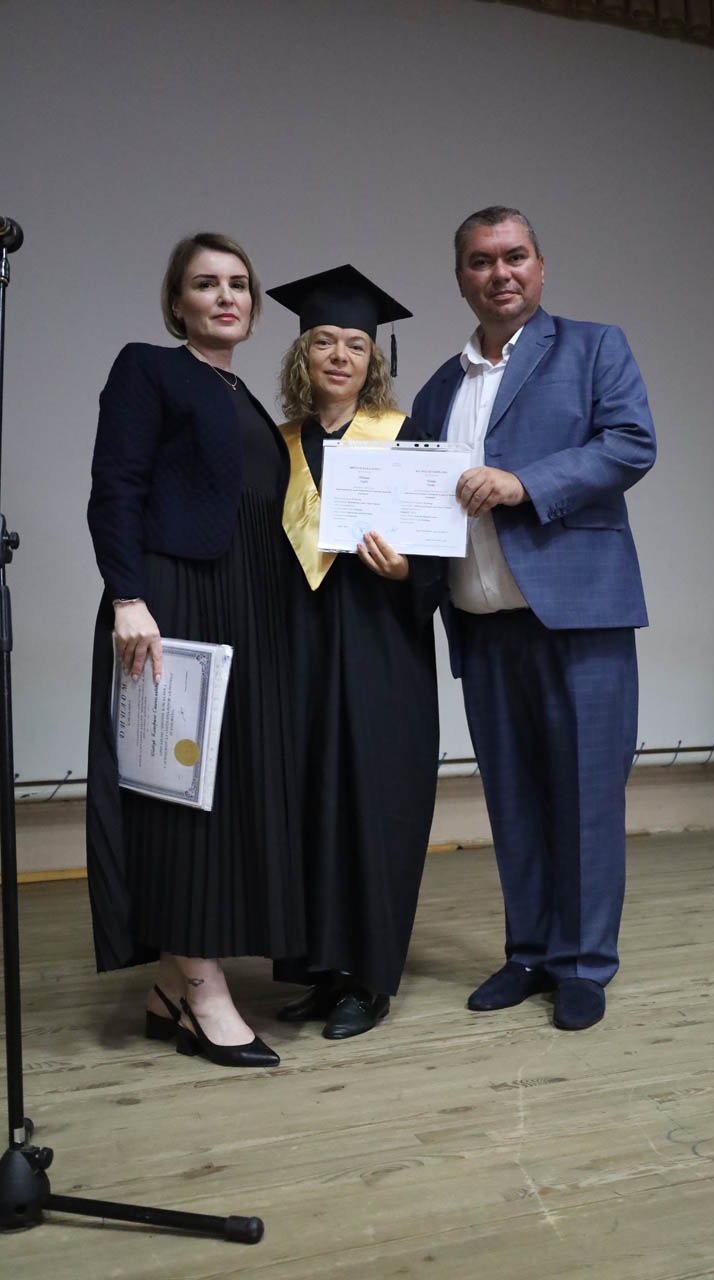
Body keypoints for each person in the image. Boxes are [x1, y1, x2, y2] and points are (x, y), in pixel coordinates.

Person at [411, 206, 656, 1030]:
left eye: (514, 256)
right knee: (512, 800)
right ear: (460, 279)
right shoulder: (439, 388)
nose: (500, 273)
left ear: (540, 267)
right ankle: (528, 952)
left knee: (586, 797)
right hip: (481, 625)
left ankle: (582, 965)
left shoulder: (593, 347)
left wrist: (523, 484)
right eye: (481, 261)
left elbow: (630, 443)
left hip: (577, 619)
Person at [86, 231, 303, 1068]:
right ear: (176, 302)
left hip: (244, 608)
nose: (226, 297)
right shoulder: (149, 368)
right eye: (206, 284)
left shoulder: (243, 394)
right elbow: (116, 486)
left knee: (217, 797)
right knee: (178, 802)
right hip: (172, 603)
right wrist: (127, 597)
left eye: (239, 284)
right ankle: (204, 993)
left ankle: (169, 989)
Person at [266, 264, 441, 1039]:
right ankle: (319, 971)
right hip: (296, 651)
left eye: (356, 345)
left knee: (371, 804)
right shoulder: (274, 446)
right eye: (324, 341)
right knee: (305, 802)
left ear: (374, 361)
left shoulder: (404, 440)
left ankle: (366, 981)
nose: (340, 356)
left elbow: (440, 555)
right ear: (301, 353)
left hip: (379, 651)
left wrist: (407, 571)